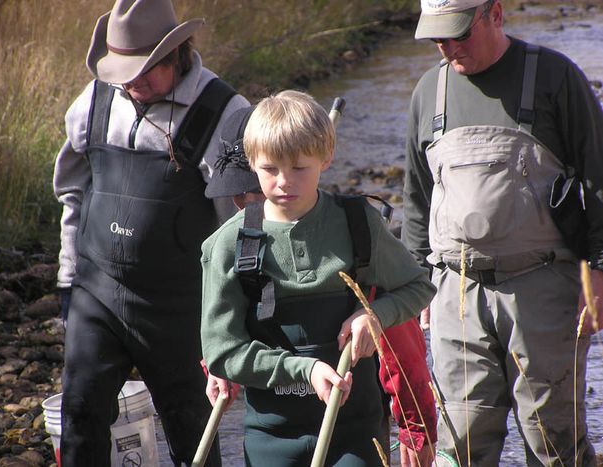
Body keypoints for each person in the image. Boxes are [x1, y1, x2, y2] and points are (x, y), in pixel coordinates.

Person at [403, 0, 603, 465]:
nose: (449, 48)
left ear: (495, 13)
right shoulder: (427, 92)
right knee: (463, 438)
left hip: (544, 286)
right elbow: (416, 198)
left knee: (551, 436)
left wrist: (598, 269)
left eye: (459, 34)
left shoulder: (555, 76)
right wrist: (415, 290)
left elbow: (598, 178)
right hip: (455, 292)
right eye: (438, 38)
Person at [52, 0, 249, 464]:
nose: (131, 84)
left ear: (176, 54)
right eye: (123, 73)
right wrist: (66, 280)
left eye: (143, 72)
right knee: (79, 411)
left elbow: (240, 222)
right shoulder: (94, 101)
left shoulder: (224, 111)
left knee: (192, 433)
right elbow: (72, 195)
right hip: (97, 292)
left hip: (181, 306)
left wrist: (235, 311)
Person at [200, 89, 436, 466]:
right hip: (270, 438)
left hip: (356, 437)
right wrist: (304, 370)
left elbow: (419, 286)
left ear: (326, 158)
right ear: (251, 163)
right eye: (270, 169)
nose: (283, 182)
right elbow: (222, 351)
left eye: (298, 167)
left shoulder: (359, 224)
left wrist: (375, 315)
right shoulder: (228, 245)